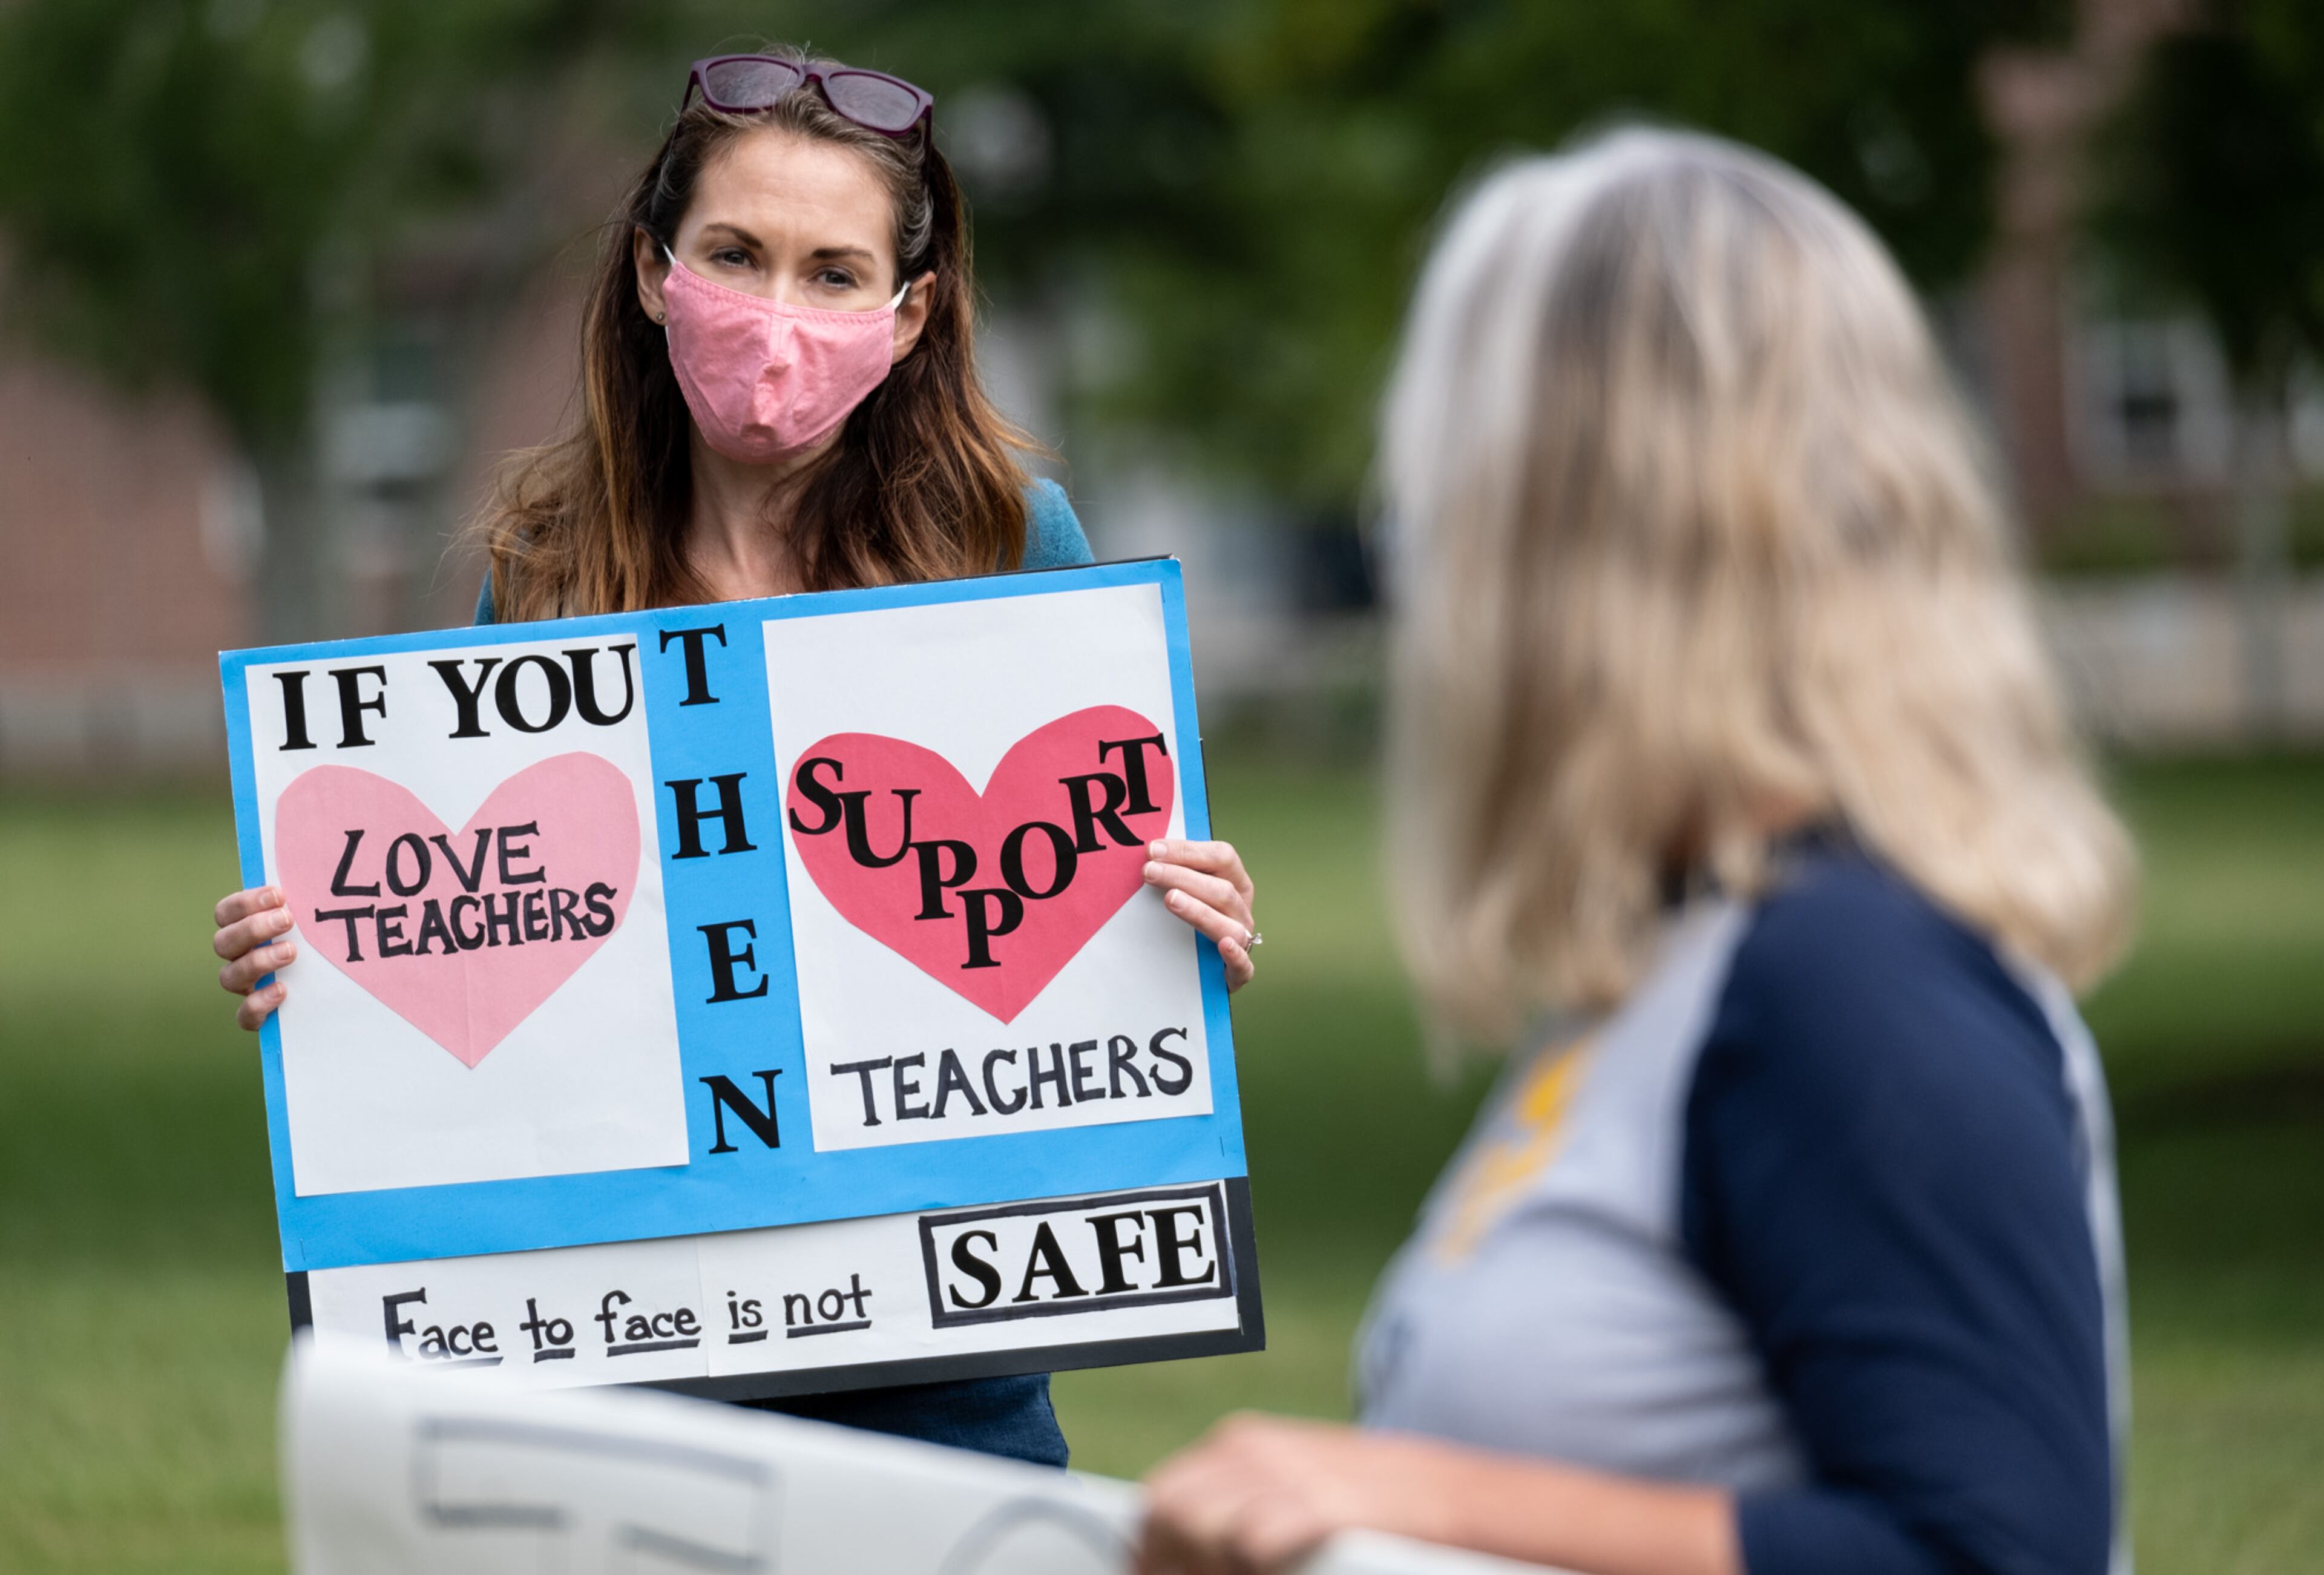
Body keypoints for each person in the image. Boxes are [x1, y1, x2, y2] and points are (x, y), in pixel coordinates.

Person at [209, 47, 1261, 1468]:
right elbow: (470, 927)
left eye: (833, 272)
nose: (777, 311)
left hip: (944, 1407)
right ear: (654, 270)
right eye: (734, 254)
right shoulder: (541, 574)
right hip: (614, 1403)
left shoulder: (1016, 546)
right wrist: (324, 954)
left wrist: (1187, 929)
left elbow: (1101, 963)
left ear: (910, 311)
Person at [1138, 127, 2135, 1575]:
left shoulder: (1847, 980)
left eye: (1446, 468)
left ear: (1587, 520)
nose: (1407, 530)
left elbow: (1999, 1550)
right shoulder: (1679, 953)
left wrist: (1414, 1495)